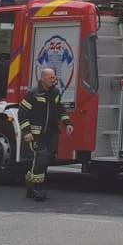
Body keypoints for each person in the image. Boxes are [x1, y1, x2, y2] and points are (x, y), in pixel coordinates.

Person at [18, 68, 73, 202]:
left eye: (54, 77)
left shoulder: (55, 92)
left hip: (51, 133)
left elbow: (60, 109)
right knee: (40, 159)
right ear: (42, 78)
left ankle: (33, 187)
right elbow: (22, 113)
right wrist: (26, 132)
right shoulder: (33, 94)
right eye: (50, 78)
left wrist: (68, 123)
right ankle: (34, 189)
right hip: (36, 134)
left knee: (45, 161)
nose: (53, 80)